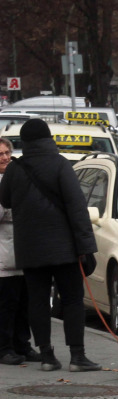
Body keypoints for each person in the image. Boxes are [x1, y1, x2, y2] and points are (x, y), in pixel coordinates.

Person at [0, 119, 99, 372]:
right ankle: (77, 357)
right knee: (73, 300)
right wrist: (86, 246)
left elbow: (6, 200)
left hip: (29, 249)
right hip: (64, 248)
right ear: (48, 138)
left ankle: (46, 357)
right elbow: (77, 208)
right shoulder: (61, 165)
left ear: (26, 141)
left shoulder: (15, 168)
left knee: (38, 301)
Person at [0, 138, 36, 366]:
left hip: (23, 253)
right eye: (0, 154)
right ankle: (5, 348)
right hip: (3, 256)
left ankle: (23, 344)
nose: (4, 157)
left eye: (7, 152)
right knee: (6, 305)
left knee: (25, 304)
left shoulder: (16, 177)